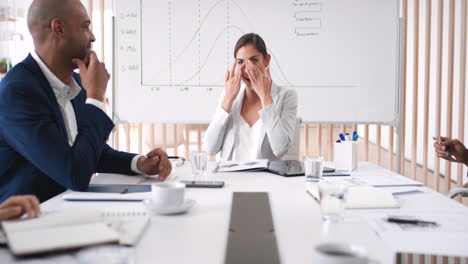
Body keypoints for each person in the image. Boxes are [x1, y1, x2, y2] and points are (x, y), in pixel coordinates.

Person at [0, 0, 171, 203]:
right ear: (59, 28)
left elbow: (86, 151)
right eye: (85, 26)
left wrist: (139, 163)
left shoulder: (77, 84)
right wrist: (96, 96)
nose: (93, 37)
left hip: (67, 210)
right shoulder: (18, 92)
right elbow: (74, 173)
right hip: (28, 223)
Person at [204, 33, 298, 161]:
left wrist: (265, 97)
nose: (247, 69)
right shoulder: (229, 95)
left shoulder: (287, 96)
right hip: (231, 178)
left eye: (253, 60)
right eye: (240, 62)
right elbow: (210, 149)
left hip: (267, 179)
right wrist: (227, 101)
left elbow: (280, 149)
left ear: (266, 60)